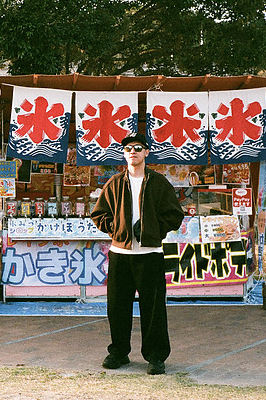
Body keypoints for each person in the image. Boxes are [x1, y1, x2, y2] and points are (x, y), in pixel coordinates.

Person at [90, 133, 184, 375]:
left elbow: (174, 215)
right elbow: (99, 215)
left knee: (153, 309)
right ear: (124, 154)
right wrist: (117, 229)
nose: (133, 152)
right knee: (117, 306)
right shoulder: (114, 183)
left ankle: (155, 356)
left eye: (138, 148)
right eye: (129, 148)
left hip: (150, 253)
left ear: (146, 152)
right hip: (120, 253)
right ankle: (118, 352)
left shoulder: (158, 183)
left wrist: (153, 230)